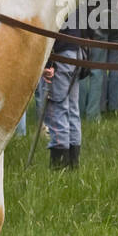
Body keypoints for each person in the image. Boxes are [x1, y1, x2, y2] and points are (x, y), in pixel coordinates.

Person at [43, 22, 84, 168]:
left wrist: (48, 63)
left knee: (57, 109)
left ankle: (59, 166)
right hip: (76, 51)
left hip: (62, 54)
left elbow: (49, 28)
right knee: (72, 110)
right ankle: (73, 164)